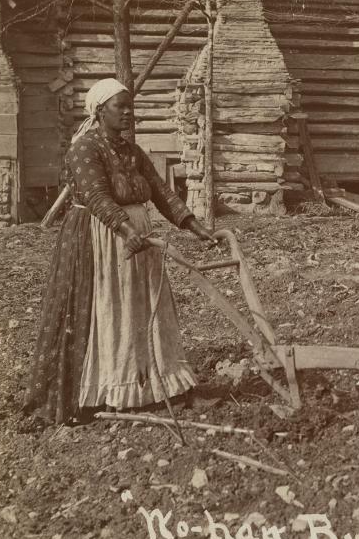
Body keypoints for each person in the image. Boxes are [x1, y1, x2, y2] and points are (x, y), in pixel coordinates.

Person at [25, 78, 218, 424]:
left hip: (137, 239)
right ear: (100, 111)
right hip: (102, 239)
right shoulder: (84, 149)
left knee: (146, 310)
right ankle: (111, 392)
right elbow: (97, 197)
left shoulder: (132, 151)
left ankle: (160, 389)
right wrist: (126, 228)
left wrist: (194, 225)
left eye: (131, 107)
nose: (129, 113)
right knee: (112, 311)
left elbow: (161, 192)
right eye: (121, 107)